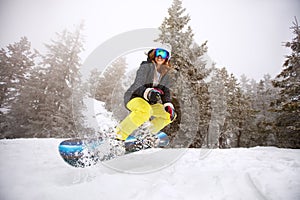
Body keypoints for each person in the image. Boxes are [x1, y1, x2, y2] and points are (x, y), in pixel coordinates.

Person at [115, 44, 176, 142]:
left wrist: (167, 104)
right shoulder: (146, 66)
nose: (160, 56)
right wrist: (148, 92)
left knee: (169, 115)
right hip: (134, 97)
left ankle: (146, 134)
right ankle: (118, 136)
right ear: (154, 54)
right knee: (145, 110)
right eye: (158, 52)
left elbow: (166, 91)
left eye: (163, 54)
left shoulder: (165, 73)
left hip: (149, 103)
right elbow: (137, 84)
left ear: (167, 58)